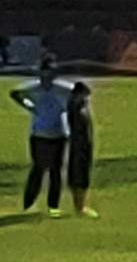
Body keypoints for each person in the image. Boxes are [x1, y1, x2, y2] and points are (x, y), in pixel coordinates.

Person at [10, 56, 75, 212]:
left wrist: (69, 109)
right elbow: (15, 94)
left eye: (50, 72)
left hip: (59, 134)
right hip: (39, 134)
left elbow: (81, 94)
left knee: (56, 171)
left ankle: (53, 206)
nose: (47, 76)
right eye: (45, 72)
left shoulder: (63, 88)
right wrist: (30, 107)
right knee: (38, 170)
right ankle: (29, 203)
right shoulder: (34, 89)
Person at [63, 72, 98, 218]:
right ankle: (79, 207)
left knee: (81, 175)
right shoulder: (76, 109)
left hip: (83, 144)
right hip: (79, 146)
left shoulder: (79, 107)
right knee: (79, 175)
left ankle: (80, 205)